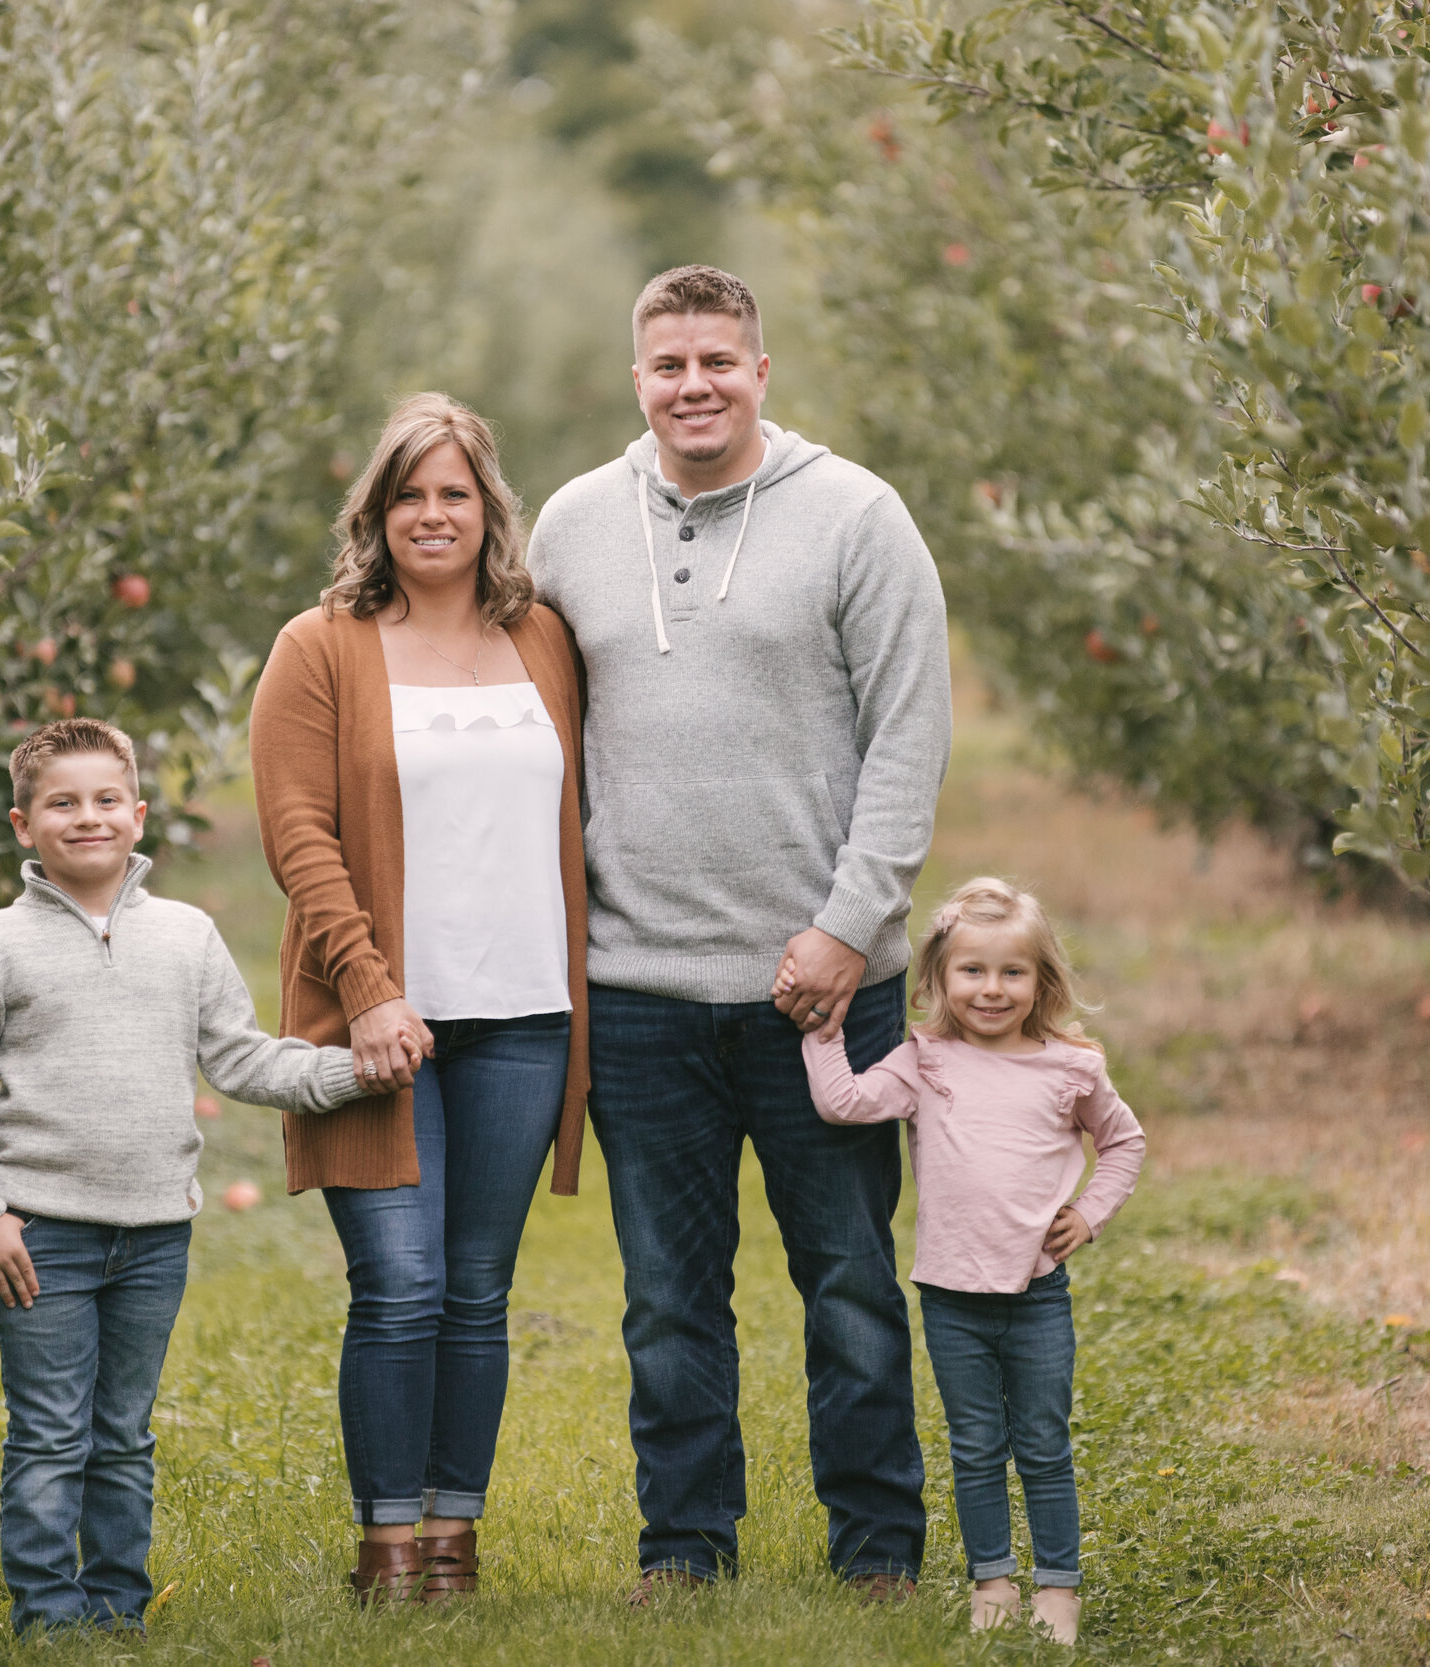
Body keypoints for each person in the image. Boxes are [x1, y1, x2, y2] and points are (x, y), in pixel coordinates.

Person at [526, 265, 953, 1597]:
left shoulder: (855, 516)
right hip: (640, 988)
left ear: (762, 370)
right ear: (637, 376)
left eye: (719, 360)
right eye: (669, 364)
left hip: (821, 986)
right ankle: (686, 1544)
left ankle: (878, 1545)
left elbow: (909, 736)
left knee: (849, 1282)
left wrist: (847, 924)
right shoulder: (573, 525)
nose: (694, 385)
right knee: (666, 1298)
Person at [0, 717, 376, 1638]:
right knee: (50, 1430)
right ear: (22, 824)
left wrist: (354, 1070)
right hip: (39, 1232)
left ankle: (117, 1604)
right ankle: (47, 1615)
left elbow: (243, 1060)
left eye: (103, 800)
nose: (86, 818)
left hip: (156, 1233)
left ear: (137, 814)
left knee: (122, 1430)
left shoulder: (187, 936)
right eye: (62, 803)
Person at [249, 392, 591, 1603]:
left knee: (476, 1290)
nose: (431, 515)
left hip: (524, 1015)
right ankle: (384, 1544)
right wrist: (370, 988)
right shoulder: (322, 643)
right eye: (409, 494)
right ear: (377, 512)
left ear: (487, 507)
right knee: (397, 1286)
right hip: (377, 1021)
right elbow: (298, 831)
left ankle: (455, 1539)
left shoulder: (542, 636)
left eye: (453, 492)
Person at [796, 877, 1146, 1640]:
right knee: (977, 1445)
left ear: (1041, 980)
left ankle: (1057, 1583)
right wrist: (823, 1036)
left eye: (1012, 972)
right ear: (940, 979)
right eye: (972, 971)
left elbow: (1124, 1142)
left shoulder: (1071, 1068)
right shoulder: (926, 1059)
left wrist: (1088, 1213)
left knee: (1044, 1443)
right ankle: (992, 1579)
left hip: (1037, 1294)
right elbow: (846, 1102)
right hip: (951, 1298)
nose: (992, 989)